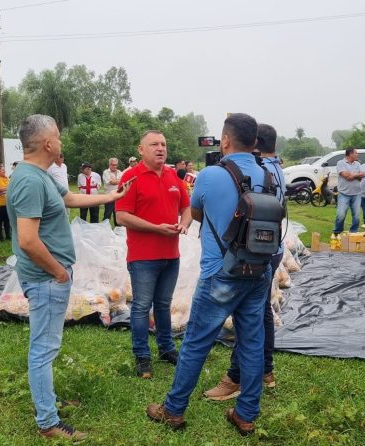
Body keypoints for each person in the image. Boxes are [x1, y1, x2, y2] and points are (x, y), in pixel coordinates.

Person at [7, 114, 130, 440]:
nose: (61, 142)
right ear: (47, 143)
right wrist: (59, 272)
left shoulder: (41, 175)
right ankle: (48, 421)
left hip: (50, 278)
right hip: (47, 279)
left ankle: (47, 401)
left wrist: (112, 198)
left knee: (47, 345)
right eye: (58, 137)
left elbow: (69, 199)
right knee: (43, 349)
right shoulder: (31, 180)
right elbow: (28, 240)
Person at [146, 113, 270, 436]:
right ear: (255, 143)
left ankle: (173, 410)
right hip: (259, 271)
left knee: (196, 343)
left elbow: (197, 213)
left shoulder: (211, 176)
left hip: (220, 273)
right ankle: (246, 414)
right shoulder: (270, 174)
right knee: (252, 343)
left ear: (225, 140)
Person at [203, 123, 284, 401]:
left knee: (250, 322)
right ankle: (264, 373)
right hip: (269, 248)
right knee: (259, 315)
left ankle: (236, 377)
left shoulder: (259, 170)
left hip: (249, 251)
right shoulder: (274, 169)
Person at [116, 131, 191, 379]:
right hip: (143, 256)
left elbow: (187, 206)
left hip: (171, 254)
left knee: (163, 305)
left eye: (163, 144)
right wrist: (156, 228)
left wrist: (185, 223)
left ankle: (166, 349)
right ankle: (142, 356)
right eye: (154, 144)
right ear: (141, 149)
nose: (160, 148)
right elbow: (122, 216)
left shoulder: (173, 175)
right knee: (140, 306)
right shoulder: (130, 177)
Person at [333, 148, 365, 234]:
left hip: (357, 194)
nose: (357, 155)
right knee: (341, 215)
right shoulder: (340, 163)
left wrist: (352, 175)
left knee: (357, 216)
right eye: (355, 153)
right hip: (344, 193)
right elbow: (345, 175)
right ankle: (337, 232)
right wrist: (356, 175)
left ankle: (353, 233)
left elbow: (362, 175)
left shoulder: (357, 163)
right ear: (350, 154)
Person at [102, 158, 123, 222]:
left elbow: (122, 181)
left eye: (116, 165)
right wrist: (120, 181)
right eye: (113, 165)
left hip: (118, 197)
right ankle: (105, 228)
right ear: (109, 164)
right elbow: (111, 182)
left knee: (117, 214)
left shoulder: (119, 172)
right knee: (107, 214)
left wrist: (115, 181)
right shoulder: (106, 172)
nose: (114, 166)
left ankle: (118, 229)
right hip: (109, 197)